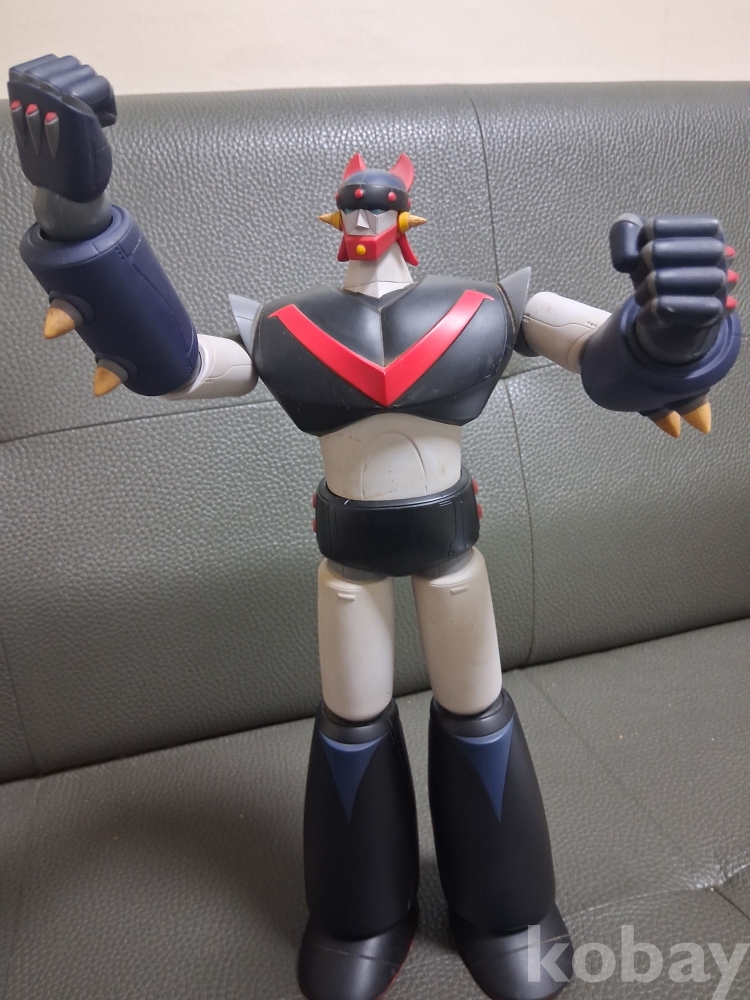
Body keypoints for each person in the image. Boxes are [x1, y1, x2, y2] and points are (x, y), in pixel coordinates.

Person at [8, 53, 741, 1000]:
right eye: (352, 203)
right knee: (353, 720)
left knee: (475, 709)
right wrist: (78, 224)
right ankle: (360, 918)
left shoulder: (486, 311)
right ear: (337, 218)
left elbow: (603, 356)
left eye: (377, 202)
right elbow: (177, 364)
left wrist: (672, 327)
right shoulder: (289, 329)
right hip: (348, 562)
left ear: (403, 216)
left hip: (451, 556)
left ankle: (507, 909)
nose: (363, 216)